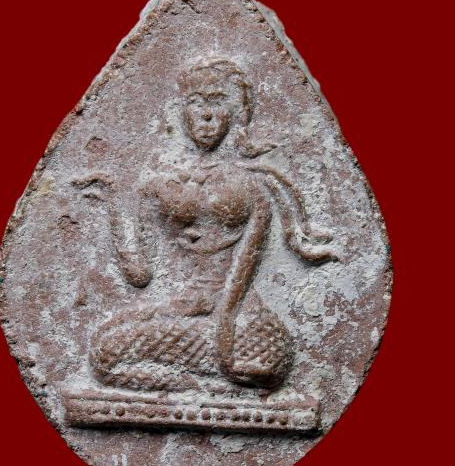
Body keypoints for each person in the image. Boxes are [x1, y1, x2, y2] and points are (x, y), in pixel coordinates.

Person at [89, 59, 337, 392]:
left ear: (236, 112)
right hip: (188, 312)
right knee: (102, 346)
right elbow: (140, 276)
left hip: (239, 326)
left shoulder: (253, 184)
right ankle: (199, 388)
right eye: (196, 103)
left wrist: (220, 329)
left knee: (107, 354)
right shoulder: (157, 185)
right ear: (180, 110)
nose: (206, 115)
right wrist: (111, 204)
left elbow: (240, 276)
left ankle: (201, 387)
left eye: (217, 101)